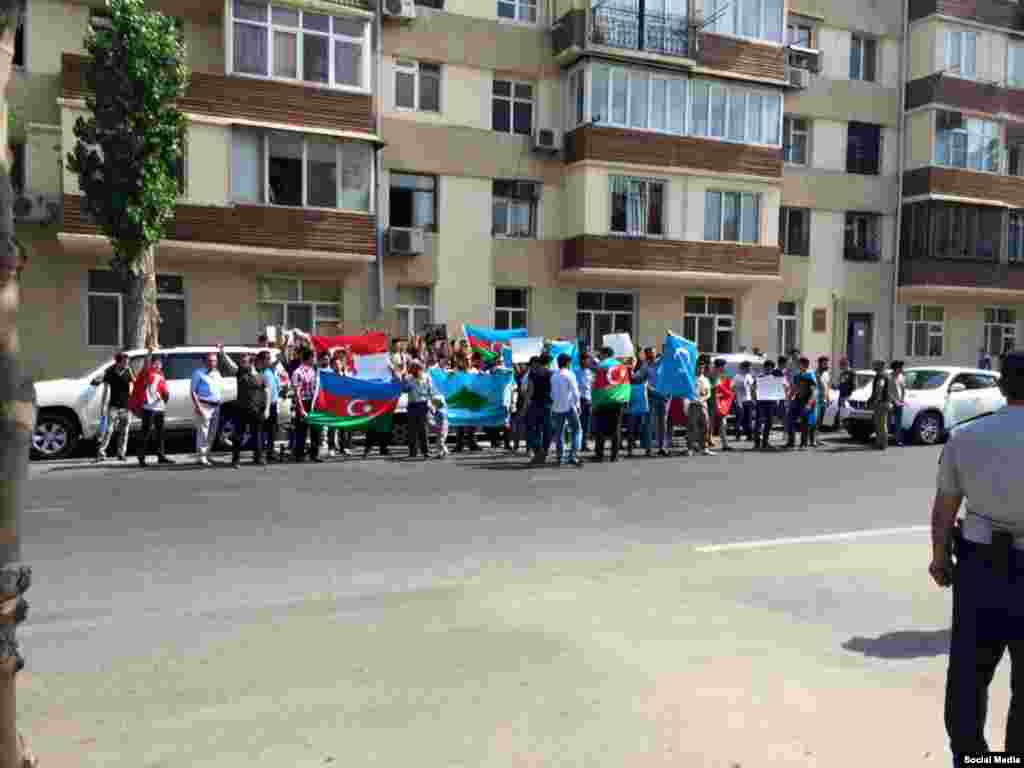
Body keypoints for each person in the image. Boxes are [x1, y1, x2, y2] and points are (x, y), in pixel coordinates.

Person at [931, 350, 1024, 765]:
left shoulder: (966, 436)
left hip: (981, 565)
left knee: (969, 673)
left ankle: (972, 760)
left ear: (1002, 386)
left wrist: (939, 560)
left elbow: (943, 511)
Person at [191, 345, 235, 467]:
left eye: (214, 361)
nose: (212, 363)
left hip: (216, 406)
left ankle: (207, 455)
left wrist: (222, 352)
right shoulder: (198, 373)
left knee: (212, 432)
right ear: (205, 361)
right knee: (203, 432)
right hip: (204, 405)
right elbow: (193, 391)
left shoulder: (216, 373)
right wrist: (198, 407)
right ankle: (201, 457)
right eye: (210, 360)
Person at [92, 350, 135, 463]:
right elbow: (105, 390)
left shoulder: (129, 371)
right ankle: (101, 453)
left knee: (124, 431)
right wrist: (103, 406)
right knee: (108, 430)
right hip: (113, 406)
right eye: (125, 361)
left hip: (126, 406)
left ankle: (121, 454)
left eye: (128, 361)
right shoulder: (110, 372)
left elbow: (132, 385)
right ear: (118, 362)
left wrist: (133, 403)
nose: (127, 363)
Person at [131, 348, 173, 466]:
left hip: (160, 407)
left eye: (160, 363)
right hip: (149, 407)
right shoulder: (147, 373)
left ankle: (161, 455)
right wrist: (149, 353)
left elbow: (164, 390)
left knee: (160, 433)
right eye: (156, 363)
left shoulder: (161, 375)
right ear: (152, 364)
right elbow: (146, 365)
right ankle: (141, 457)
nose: (158, 365)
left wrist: (165, 399)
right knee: (146, 433)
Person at [230, 352, 271, 468]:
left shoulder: (261, 375)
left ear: (251, 363)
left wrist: (267, 409)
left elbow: (267, 392)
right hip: (241, 409)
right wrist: (222, 353)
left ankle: (258, 457)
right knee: (238, 436)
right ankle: (235, 460)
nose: (242, 364)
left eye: (244, 362)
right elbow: (230, 365)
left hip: (257, 410)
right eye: (241, 362)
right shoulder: (240, 373)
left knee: (257, 434)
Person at [592, 347, 625, 463]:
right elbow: (625, 385)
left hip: (603, 401)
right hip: (617, 401)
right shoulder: (621, 366)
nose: (599, 356)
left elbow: (596, 385)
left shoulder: (601, 366)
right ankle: (614, 456)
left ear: (605, 354)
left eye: (600, 354)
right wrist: (624, 400)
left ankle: (599, 455)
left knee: (600, 428)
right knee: (616, 429)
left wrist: (594, 402)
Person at [550, 353, 583, 468]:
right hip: (569, 406)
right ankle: (573, 456)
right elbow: (575, 392)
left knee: (559, 433)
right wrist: (578, 405)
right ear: (568, 363)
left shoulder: (554, 375)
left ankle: (560, 457)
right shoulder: (570, 374)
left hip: (556, 407)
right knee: (577, 430)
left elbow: (552, 394)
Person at [400, 359, 435, 460]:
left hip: (423, 405)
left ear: (421, 368)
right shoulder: (408, 378)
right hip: (412, 406)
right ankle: (412, 452)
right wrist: (403, 381)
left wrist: (433, 405)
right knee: (412, 430)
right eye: (412, 368)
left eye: (417, 367)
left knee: (423, 430)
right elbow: (404, 390)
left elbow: (431, 391)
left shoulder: (427, 377)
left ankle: (425, 452)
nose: (414, 370)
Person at [291, 348, 323, 462]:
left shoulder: (313, 371)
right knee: (301, 429)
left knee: (315, 429)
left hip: (312, 402)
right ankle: (299, 454)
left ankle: (315, 454)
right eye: (313, 357)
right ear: (309, 358)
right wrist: (301, 408)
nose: (314, 359)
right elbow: (297, 392)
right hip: (303, 401)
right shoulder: (297, 372)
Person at [526, 353, 554, 465]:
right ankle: (544, 452)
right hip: (548, 404)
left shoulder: (533, 373)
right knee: (547, 429)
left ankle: (538, 452)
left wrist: (525, 406)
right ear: (549, 362)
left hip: (535, 404)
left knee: (533, 429)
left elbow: (530, 391)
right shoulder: (551, 374)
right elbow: (554, 391)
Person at [753, 359, 784, 451]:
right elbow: (753, 388)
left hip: (771, 402)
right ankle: (757, 442)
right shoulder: (759, 377)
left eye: (770, 368)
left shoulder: (775, 378)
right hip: (761, 402)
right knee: (758, 422)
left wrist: (779, 399)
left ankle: (765, 442)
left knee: (769, 422)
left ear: (772, 368)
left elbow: (779, 389)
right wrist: (755, 399)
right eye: (767, 367)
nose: (768, 369)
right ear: (764, 368)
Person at [645, 347, 671, 457]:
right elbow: (642, 380)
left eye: (653, 353)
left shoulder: (663, 364)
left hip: (664, 398)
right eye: (649, 354)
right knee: (651, 423)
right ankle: (649, 448)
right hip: (652, 397)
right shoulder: (645, 366)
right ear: (646, 355)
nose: (652, 355)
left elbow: (669, 379)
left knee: (663, 424)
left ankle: (662, 447)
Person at [787, 358, 816, 450]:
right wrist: (788, 399)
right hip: (797, 401)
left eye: (802, 364)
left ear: (806, 365)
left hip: (806, 401)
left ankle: (803, 443)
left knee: (804, 423)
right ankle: (791, 442)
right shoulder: (797, 376)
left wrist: (809, 404)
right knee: (790, 421)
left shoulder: (809, 376)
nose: (800, 366)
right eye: (799, 364)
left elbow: (814, 392)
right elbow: (794, 389)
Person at [626, 356, 651, 458]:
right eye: (630, 361)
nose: (632, 363)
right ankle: (630, 450)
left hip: (643, 408)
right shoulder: (628, 375)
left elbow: (650, 389)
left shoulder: (644, 379)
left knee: (645, 430)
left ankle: (648, 449)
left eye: (633, 361)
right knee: (631, 430)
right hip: (632, 407)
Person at [687, 360, 713, 456]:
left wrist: (704, 398)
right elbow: (689, 392)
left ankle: (704, 448)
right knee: (692, 427)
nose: (701, 369)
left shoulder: (706, 379)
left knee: (705, 426)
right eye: (699, 367)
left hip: (703, 404)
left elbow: (708, 393)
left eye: (702, 367)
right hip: (693, 404)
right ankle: (690, 448)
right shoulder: (691, 378)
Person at [259, 350, 281, 462]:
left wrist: (285, 345)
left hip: (273, 404)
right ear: (262, 360)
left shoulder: (270, 369)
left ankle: (270, 452)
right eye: (267, 359)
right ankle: (261, 454)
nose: (269, 360)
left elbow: (278, 360)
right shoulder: (260, 372)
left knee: (272, 430)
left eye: (269, 358)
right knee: (262, 431)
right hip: (263, 405)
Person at [868, 359, 891, 451]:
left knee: (880, 424)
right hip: (884, 402)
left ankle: (882, 444)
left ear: (880, 366)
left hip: (881, 403)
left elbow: (880, 387)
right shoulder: (885, 375)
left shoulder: (881, 375)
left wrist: (876, 400)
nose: (874, 366)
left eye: (875, 365)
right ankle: (880, 443)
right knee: (880, 424)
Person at [576, 352, 595, 453]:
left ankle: (584, 444)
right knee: (577, 423)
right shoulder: (575, 372)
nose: (589, 361)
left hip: (588, 401)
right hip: (578, 401)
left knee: (586, 424)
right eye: (588, 359)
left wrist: (592, 400)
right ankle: (577, 444)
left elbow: (592, 387)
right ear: (582, 360)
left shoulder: (591, 372)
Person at [733, 360, 755, 442]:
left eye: (750, 368)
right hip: (740, 400)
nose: (750, 369)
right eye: (748, 368)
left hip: (748, 400)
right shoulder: (737, 377)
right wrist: (737, 401)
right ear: (744, 368)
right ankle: (738, 435)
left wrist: (753, 399)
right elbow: (734, 389)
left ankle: (749, 435)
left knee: (749, 418)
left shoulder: (749, 376)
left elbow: (752, 388)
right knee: (739, 419)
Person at [890, 360, 907, 447]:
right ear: (896, 368)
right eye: (900, 367)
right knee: (888, 421)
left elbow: (903, 389)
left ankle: (898, 439)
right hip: (891, 402)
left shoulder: (901, 376)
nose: (901, 369)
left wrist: (902, 400)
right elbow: (888, 391)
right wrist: (894, 401)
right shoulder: (890, 377)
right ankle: (887, 438)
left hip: (899, 402)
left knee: (898, 422)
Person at [815, 356, 831, 445]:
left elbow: (827, 386)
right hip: (816, 400)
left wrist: (828, 398)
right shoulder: (815, 373)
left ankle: (817, 439)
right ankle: (812, 439)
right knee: (815, 421)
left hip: (823, 400)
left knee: (819, 421)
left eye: (827, 363)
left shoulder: (826, 373)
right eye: (825, 363)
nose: (826, 365)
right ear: (820, 363)